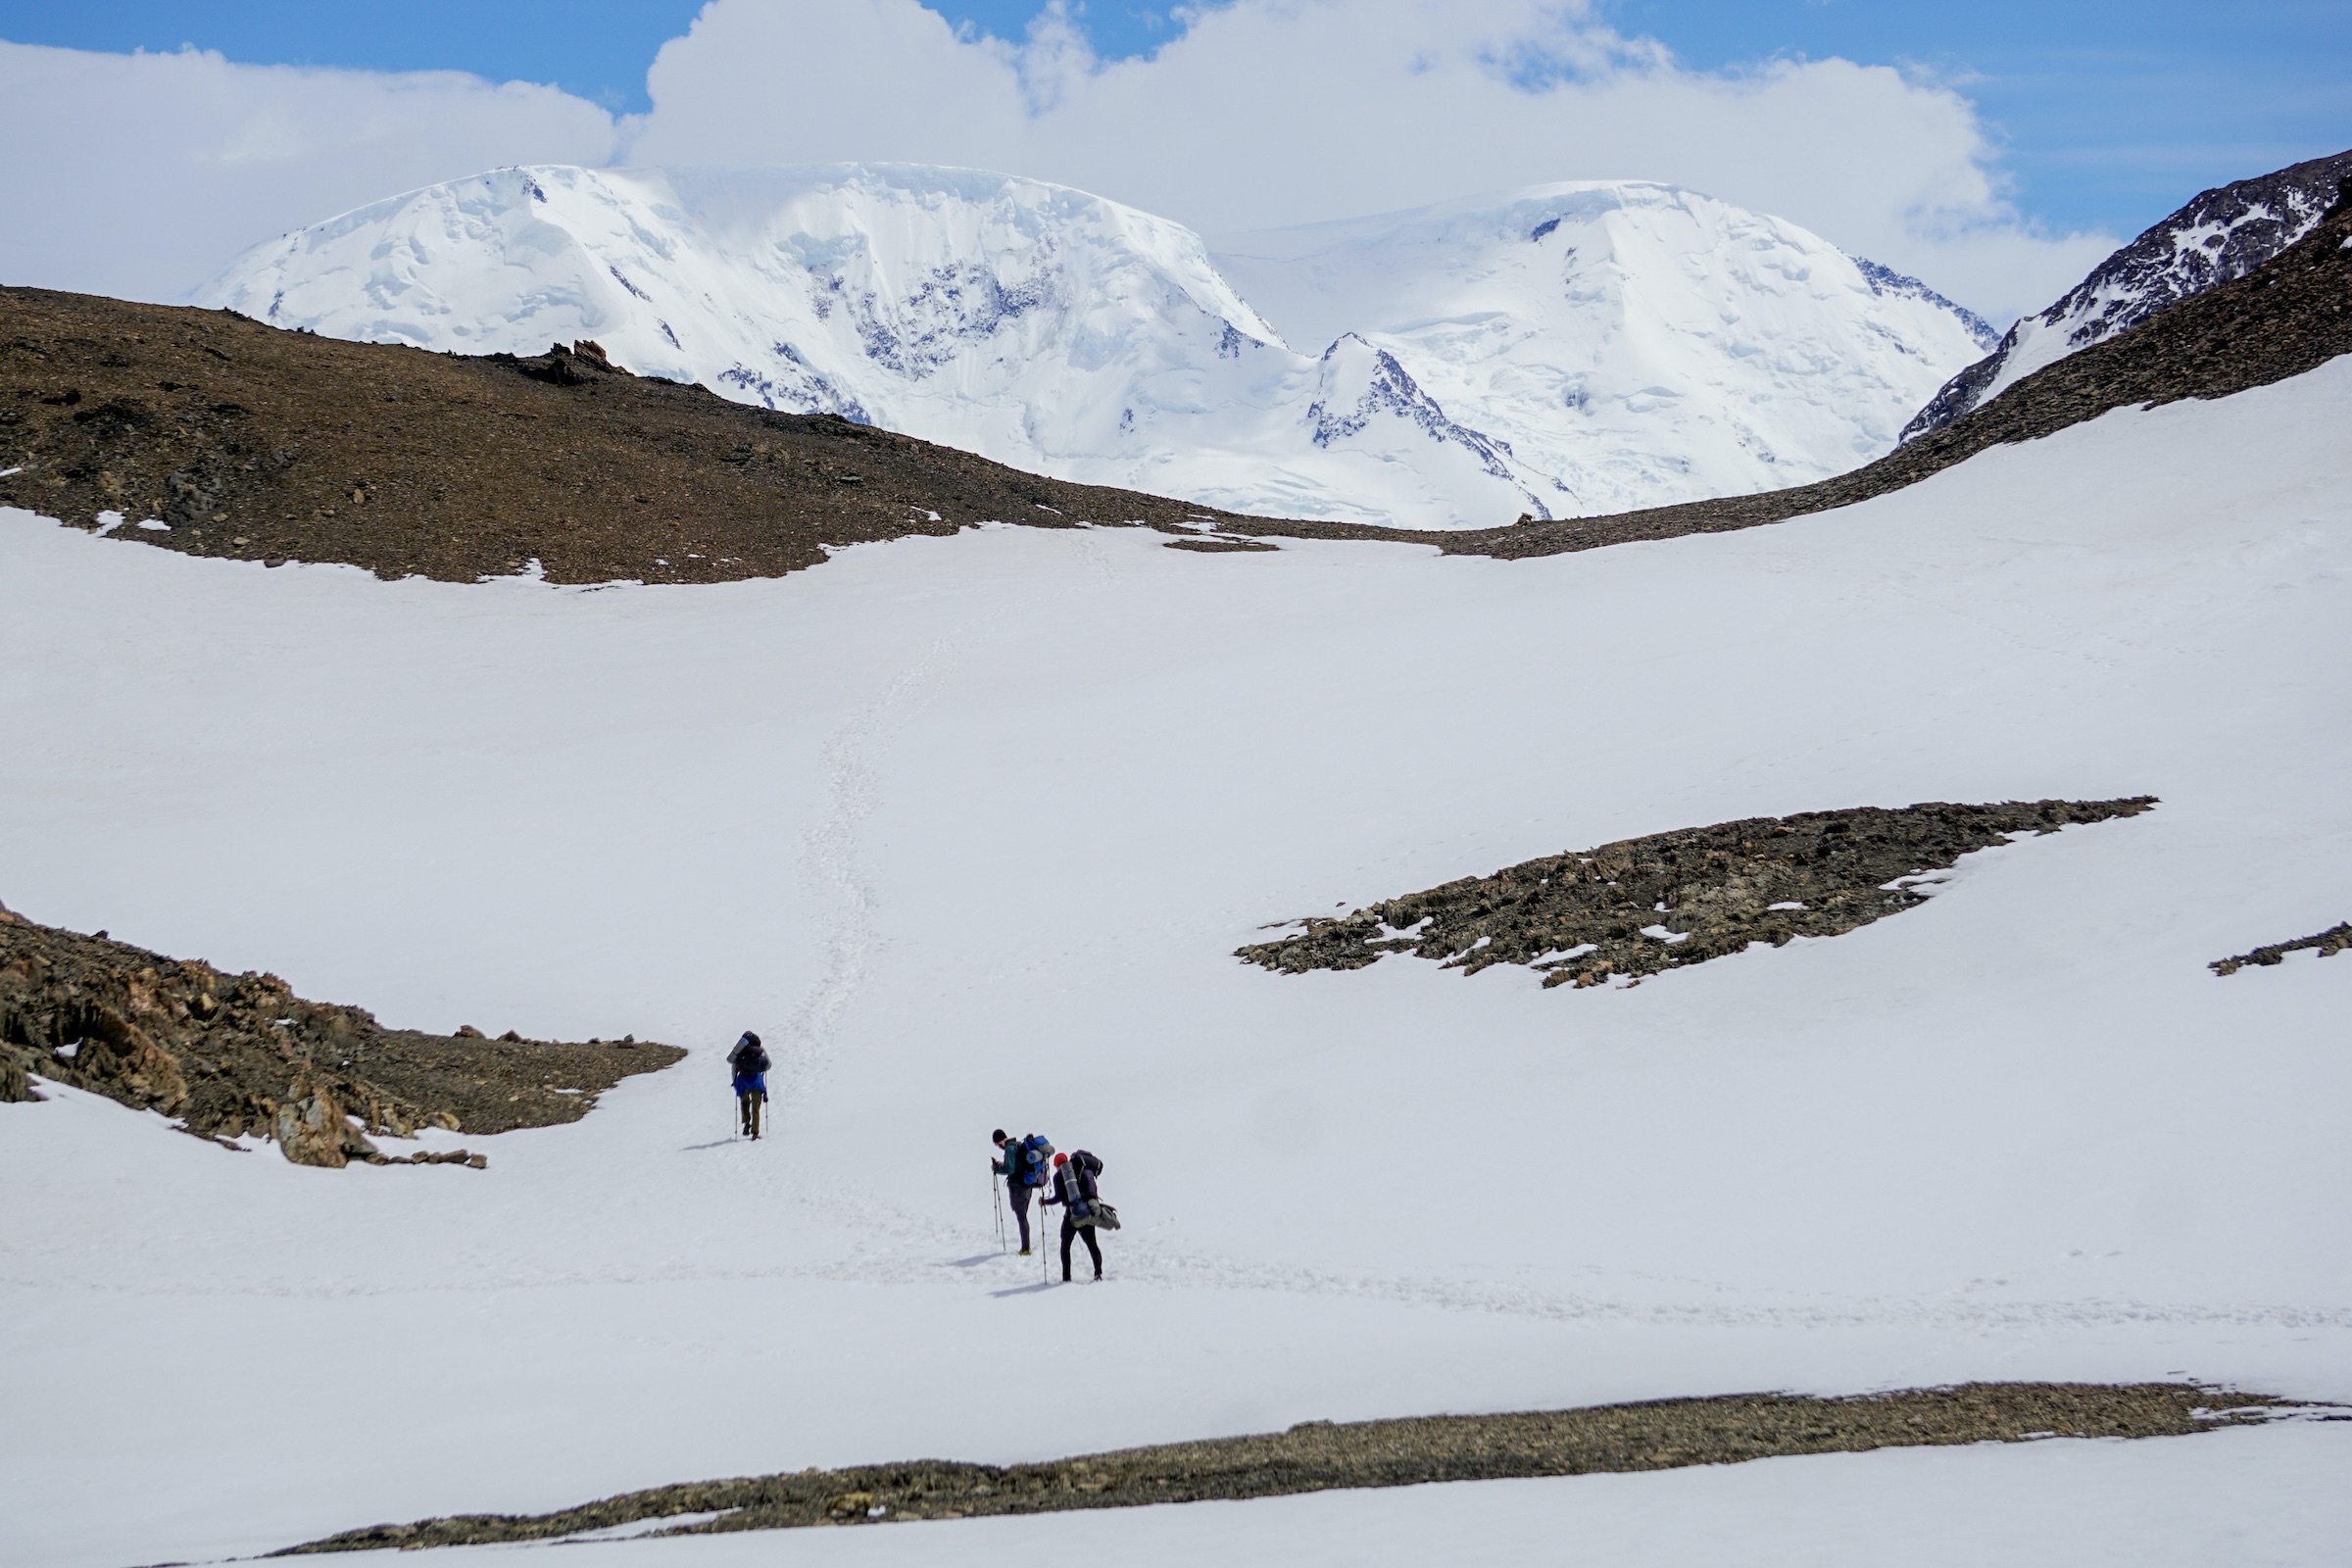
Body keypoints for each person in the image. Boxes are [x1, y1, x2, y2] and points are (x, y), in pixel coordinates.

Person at [1040, 1150, 1104, 1282]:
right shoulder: (1084, 1171)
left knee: (1065, 1245)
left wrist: (1044, 1202)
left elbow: (1058, 1197)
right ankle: (1098, 1273)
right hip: (1088, 1212)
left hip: (1072, 1215)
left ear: (1057, 1165)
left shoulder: (1059, 1176)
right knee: (1092, 1244)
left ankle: (1066, 1278)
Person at [991, 1128, 1044, 1254]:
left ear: (999, 1141)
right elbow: (1017, 1164)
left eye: (997, 1145)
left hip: (1018, 1186)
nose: (998, 1147)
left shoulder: (1009, 1148)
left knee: (1021, 1216)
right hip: (1027, 1185)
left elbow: (1010, 1169)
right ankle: (1026, 1245)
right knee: (1022, 1215)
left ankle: (1025, 1248)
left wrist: (997, 1169)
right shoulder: (1018, 1145)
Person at [727, 1031, 769, 1138]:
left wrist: (735, 1082)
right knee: (756, 1108)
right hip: (756, 1082)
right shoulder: (760, 1051)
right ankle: (755, 1132)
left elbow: (733, 1066)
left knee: (744, 1103)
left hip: (743, 1082)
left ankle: (746, 1124)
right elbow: (768, 1065)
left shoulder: (740, 1052)